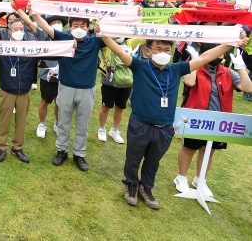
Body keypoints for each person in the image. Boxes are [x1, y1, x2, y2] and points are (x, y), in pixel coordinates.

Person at [98, 29, 247, 210]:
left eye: (167, 50)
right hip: (141, 123)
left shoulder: (177, 69)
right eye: (158, 49)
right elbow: (119, 51)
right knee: (133, 157)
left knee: (154, 160)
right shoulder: (139, 66)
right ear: (148, 50)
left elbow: (205, 57)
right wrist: (104, 34)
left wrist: (231, 43)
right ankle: (131, 185)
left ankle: (147, 187)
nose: (163, 53)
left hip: (165, 127)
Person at [30, 9, 105, 172]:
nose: (79, 28)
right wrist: (34, 12)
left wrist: (133, 14)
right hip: (65, 87)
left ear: (88, 27)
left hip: (87, 89)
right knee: (63, 121)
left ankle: (79, 154)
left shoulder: (95, 41)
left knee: (82, 124)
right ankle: (61, 150)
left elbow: (117, 35)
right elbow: (45, 27)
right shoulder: (64, 38)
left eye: (83, 25)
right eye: (75, 25)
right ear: (70, 27)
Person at [173, 43, 252, 197]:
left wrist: (241, 68)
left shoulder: (227, 72)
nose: (220, 57)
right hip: (197, 118)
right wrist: (195, 61)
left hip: (219, 121)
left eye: (222, 54)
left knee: (208, 151)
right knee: (189, 148)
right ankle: (181, 177)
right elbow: (189, 82)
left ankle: (200, 180)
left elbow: (248, 88)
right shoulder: (196, 68)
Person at [0, 17, 36, 163]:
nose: (19, 32)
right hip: (7, 90)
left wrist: (68, 47)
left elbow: (52, 53)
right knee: (5, 121)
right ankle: (2, 147)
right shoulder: (1, 47)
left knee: (21, 121)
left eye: (21, 29)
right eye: (16, 29)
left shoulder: (31, 48)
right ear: (9, 32)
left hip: (24, 91)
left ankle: (17, 148)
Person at [97, 37, 134, 144]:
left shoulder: (129, 42)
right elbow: (102, 37)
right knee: (105, 106)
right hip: (109, 79)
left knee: (120, 108)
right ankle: (102, 128)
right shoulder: (107, 41)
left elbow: (142, 39)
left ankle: (115, 130)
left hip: (126, 79)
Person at [35, 15, 66, 138]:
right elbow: (31, 24)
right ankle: (42, 124)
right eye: (54, 22)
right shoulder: (43, 35)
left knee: (59, 102)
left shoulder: (67, 37)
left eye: (59, 22)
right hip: (46, 74)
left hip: (63, 75)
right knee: (44, 101)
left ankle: (58, 123)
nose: (57, 24)